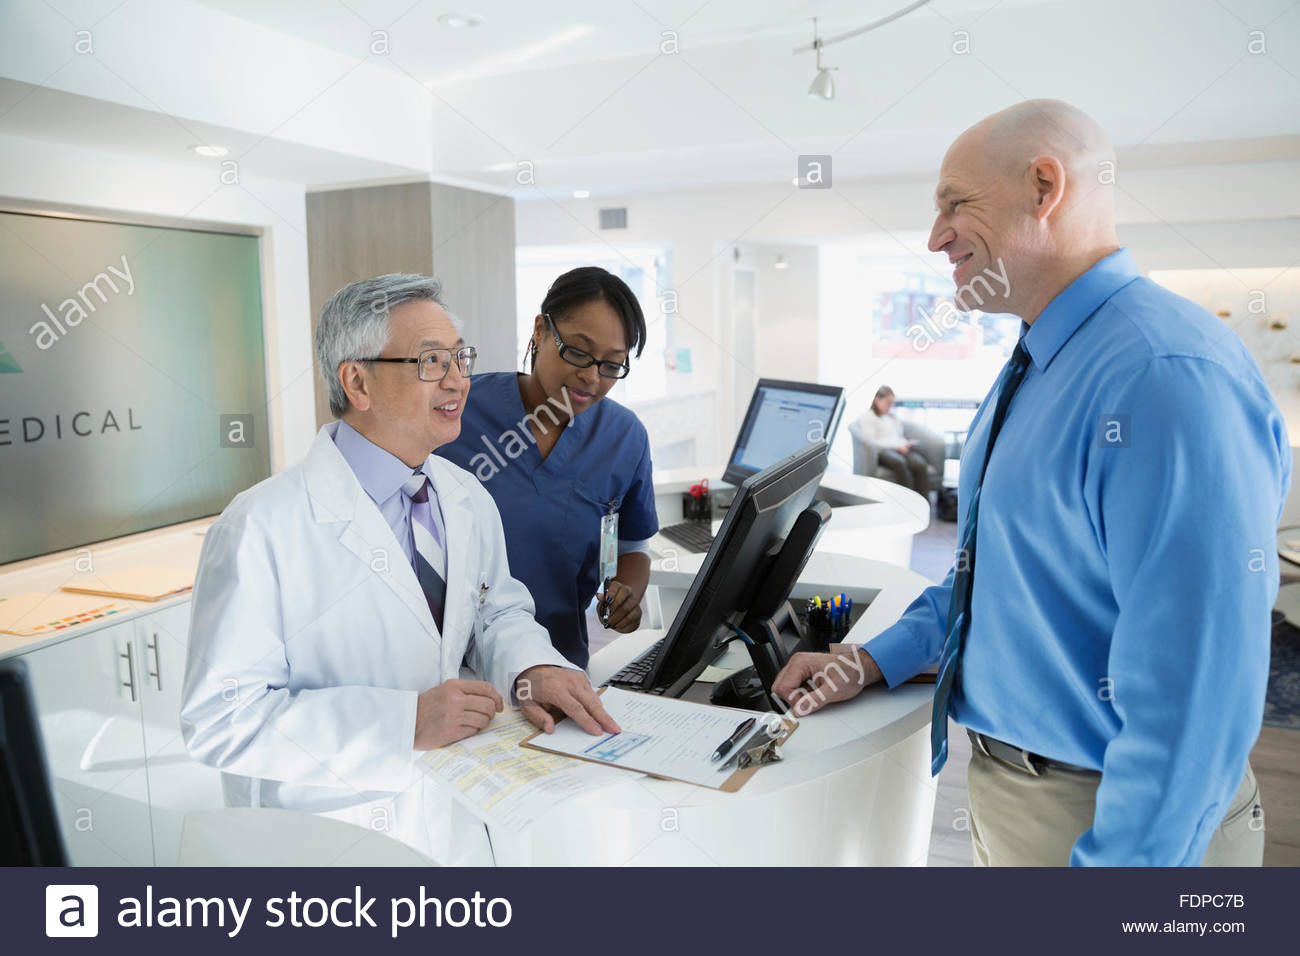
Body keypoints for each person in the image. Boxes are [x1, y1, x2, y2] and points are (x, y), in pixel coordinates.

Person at [773, 99, 1290, 866]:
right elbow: (994, 575)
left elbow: (1197, 702)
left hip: (1111, 822)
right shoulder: (1042, 359)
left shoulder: (1162, 378)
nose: (935, 235)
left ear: (1045, 187)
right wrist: (873, 660)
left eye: (956, 203)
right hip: (1017, 794)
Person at [180, 274, 618, 865]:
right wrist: (400, 723)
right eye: (431, 362)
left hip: (458, 817)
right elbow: (220, 719)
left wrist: (531, 665)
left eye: (460, 357)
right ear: (356, 381)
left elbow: (496, 610)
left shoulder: (463, 496)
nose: (459, 380)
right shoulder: (260, 527)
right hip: (329, 849)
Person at [438, 266, 658, 669]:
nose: (592, 377)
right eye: (578, 351)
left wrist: (626, 593)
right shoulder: (457, 414)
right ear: (540, 330)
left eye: (612, 364)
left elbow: (631, 545)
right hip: (453, 670)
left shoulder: (624, 437)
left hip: (561, 668)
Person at [857, 385, 930, 498]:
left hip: (900, 448)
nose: (890, 406)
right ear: (877, 400)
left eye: (892, 403)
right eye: (888, 403)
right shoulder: (868, 418)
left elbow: (897, 436)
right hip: (883, 451)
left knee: (920, 464)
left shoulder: (890, 417)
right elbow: (871, 442)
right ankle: (906, 500)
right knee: (899, 462)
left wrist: (905, 443)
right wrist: (896, 447)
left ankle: (924, 501)